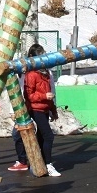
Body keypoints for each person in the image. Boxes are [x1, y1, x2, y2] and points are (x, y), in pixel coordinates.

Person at [22, 44, 61, 177]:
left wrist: (53, 110)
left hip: (44, 107)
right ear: (32, 57)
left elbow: (49, 92)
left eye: (44, 55)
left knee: (41, 136)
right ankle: (48, 163)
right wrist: (44, 96)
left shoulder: (46, 73)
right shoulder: (31, 74)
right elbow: (29, 95)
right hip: (35, 108)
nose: (43, 59)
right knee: (48, 135)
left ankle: (38, 162)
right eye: (40, 56)